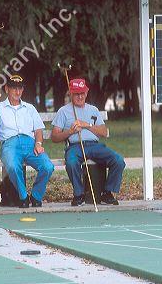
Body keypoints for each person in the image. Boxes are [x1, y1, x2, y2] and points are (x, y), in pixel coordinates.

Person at [51, 78, 125, 206]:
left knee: (118, 161)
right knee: (72, 162)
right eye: (76, 94)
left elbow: (103, 132)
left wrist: (87, 125)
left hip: (95, 146)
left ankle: (106, 193)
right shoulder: (63, 111)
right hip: (75, 146)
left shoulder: (93, 110)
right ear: (70, 93)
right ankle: (79, 195)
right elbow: (54, 137)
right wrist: (70, 132)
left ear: (86, 92)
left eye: (82, 93)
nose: (80, 96)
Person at [0, 75, 54, 208]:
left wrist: (38, 143)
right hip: (10, 144)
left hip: (30, 143)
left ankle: (36, 196)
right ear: (6, 89)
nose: (17, 92)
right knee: (12, 166)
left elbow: (38, 130)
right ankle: (23, 197)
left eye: (20, 88)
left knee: (47, 166)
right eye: (13, 88)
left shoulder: (30, 108)